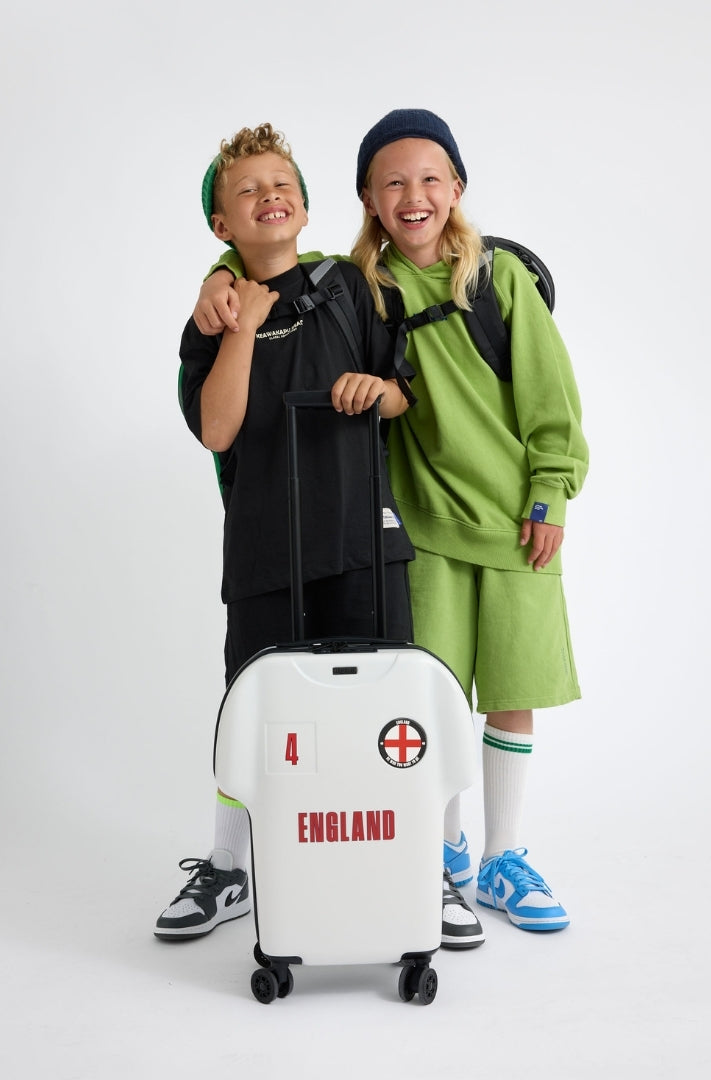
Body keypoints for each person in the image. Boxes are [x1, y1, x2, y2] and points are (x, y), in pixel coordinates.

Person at [195, 110, 590, 935]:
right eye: (393, 182)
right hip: (412, 531)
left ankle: (501, 856)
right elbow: (271, 281)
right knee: (422, 700)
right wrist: (220, 280)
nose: (415, 196)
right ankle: (432, 854)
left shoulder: (483, 280)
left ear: (458, 187)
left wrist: (549, 492)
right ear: (368, 201)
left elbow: (543, 398)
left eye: (431, 178)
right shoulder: (363, 284)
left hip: (508, 524)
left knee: (510, 694)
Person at [157, 122, 483, 950]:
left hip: (361, 539)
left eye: (282, 182)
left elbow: (405, 394)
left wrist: (378, 390)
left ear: (304, 202)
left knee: (400, 704)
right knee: (250, 708)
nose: (269, 194)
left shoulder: (349, 283)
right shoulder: (213, 315)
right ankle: (230, 866)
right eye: (246, 190)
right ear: (222, 226)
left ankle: (429, 870)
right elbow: (219, 430)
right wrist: (234, 321)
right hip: (269, 552)